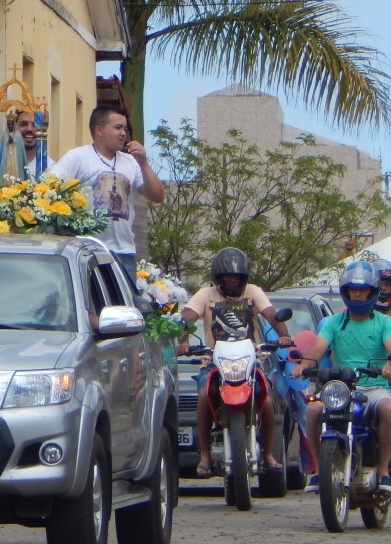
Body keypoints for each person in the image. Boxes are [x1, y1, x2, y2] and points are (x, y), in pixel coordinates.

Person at [181, 247, 290, 479]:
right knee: (202, 396)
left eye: (237, 277)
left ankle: (269, 453)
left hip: (250, 361)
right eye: (227, 276)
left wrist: (284, 335)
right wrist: (182, 339)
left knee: (268, 401)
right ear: (218, 278)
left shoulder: (253, 292)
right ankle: (205, 455)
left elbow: (272, 314)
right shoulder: (204, 294)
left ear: (244, 278)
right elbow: (188, 316)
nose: (232, 280)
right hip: (213, 361)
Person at [291, 261, 391, 493]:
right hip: (340, 387)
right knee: (314, 409)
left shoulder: (384, 322)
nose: (357, 294)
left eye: (362, 289)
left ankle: (384, 471)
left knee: (388, 409)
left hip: (373, 387)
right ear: (345, 292)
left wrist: (388, 363)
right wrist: (304, 365)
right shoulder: (334, 322)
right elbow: (318, 349)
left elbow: (389, 346)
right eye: (352, 289)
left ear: (372, 291)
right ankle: (317, 470)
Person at [47, 105, 163, 279]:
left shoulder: (131, 162)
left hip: (124, 253)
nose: (123, 133)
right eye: (117, 128)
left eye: (125, 128)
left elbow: (157, 196)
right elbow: (49, 188)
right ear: (99, 130)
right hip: (87, 250)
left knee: (123, 306)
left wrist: (143, 163)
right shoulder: (78, 157)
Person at [0, 109, 53, 179]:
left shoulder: (48, 165)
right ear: (14, 127)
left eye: (35, 125)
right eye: (23, 124)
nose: (29, 129)